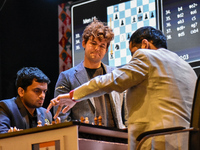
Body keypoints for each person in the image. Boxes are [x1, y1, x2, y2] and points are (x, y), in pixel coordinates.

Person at [48, 26, 197, 150]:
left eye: (133, 53)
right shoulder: (187, 67)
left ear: (144, 44)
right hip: (188, 141)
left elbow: (110, 81)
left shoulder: (147, 56)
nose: (134, 58)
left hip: (156, 141)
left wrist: (74, 95)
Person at [54, 19, 126, 129]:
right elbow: (62, 120)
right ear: (84, 43)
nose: (97, 48)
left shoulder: (116, 74)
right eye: (93, 43)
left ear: (106, 50)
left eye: (102, 46)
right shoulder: (67, 77)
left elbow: (127, 115)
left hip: (116, 140)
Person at [0, 67, 52, 133]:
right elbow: (2, 137)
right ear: (21, 92)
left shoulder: (46, 114)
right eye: (37, 91)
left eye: (44, 91)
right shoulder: (5, 108)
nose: (42, 96)